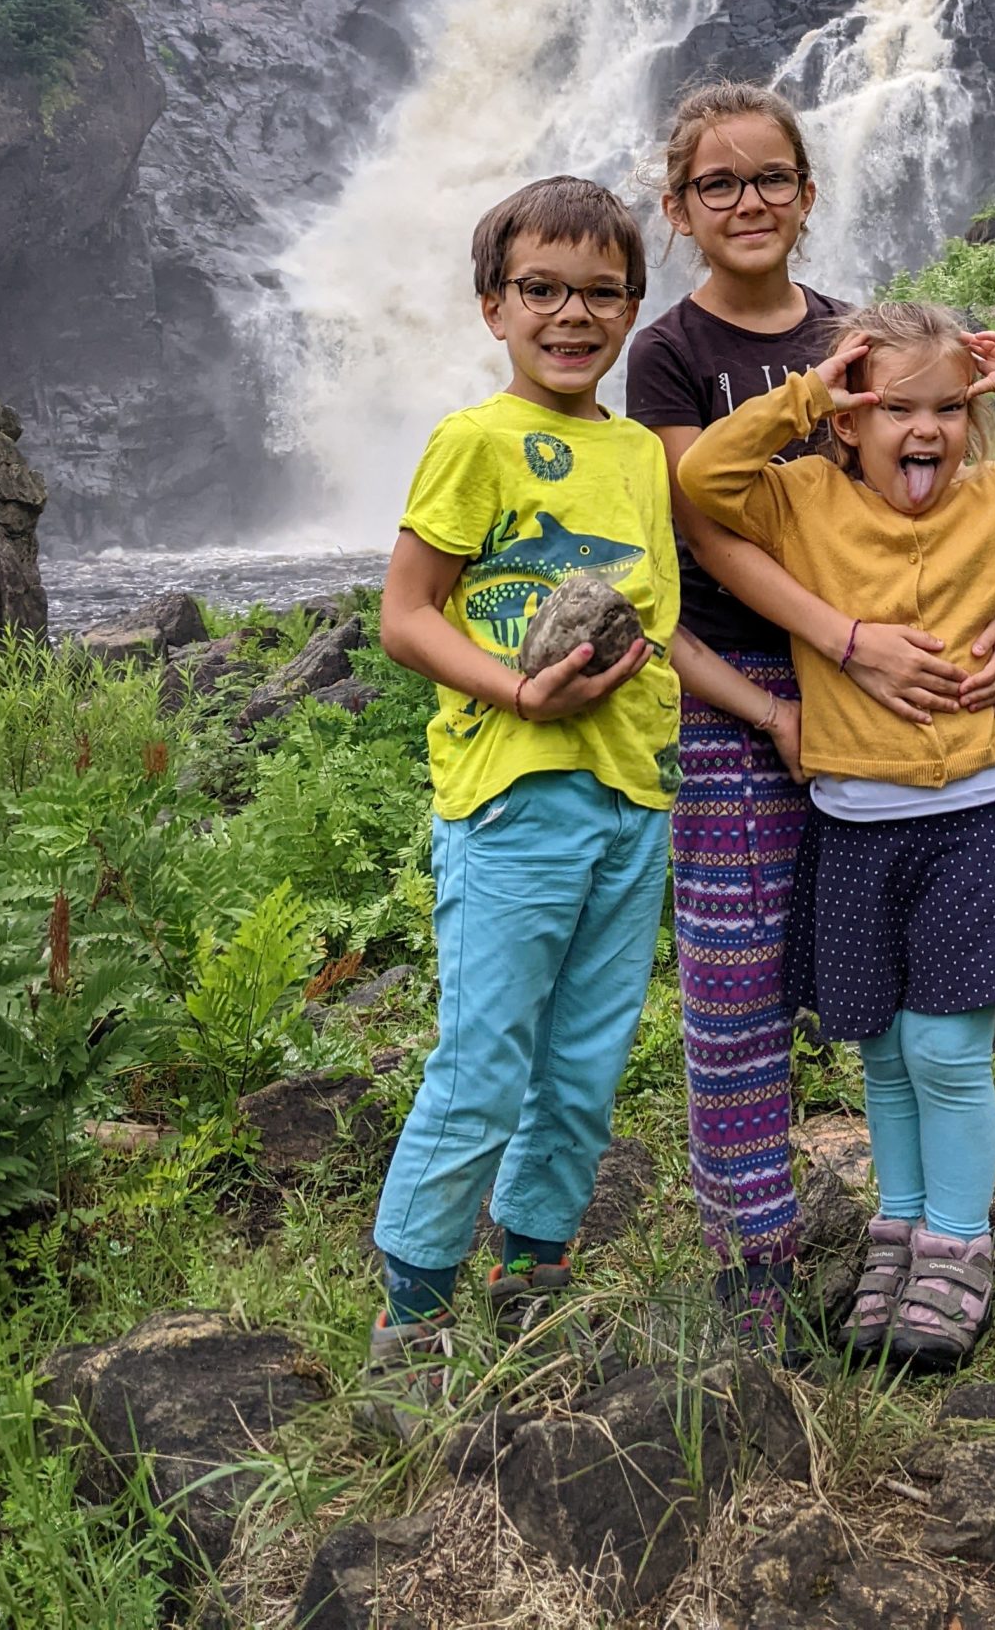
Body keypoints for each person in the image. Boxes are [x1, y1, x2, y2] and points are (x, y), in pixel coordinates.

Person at [628, 83, 995, 1348]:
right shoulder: (678, 353)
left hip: (931, 709)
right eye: (718, 182)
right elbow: (708, 517)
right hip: (752, 677)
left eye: (773, 176)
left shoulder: (869, 335)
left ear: (809, 190)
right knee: (740, 977)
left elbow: (975, 505)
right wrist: (841, 642)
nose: (750, 200)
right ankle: (756, 1250)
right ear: (678, 207)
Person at [365, 173, 795, 1426]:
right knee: (484, 1060)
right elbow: (405, 616)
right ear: (493, 305)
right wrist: (518, 690)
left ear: (632, 306)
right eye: (541, 290)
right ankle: (411, 1316)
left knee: (585, 1062)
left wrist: (774, 711)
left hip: (633, 795)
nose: (572, 314)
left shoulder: (638, 455)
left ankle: (532, 1271)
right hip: (515, 793)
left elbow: (663, 630)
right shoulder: (474, 440)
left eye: (601, 293)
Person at [679, 302, 995, 1367]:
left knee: (946, 1047)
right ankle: (898, 1232)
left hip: (973, 820)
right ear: (851, 422)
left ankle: (958, 1243)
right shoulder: (801, 498)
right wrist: (808, 394)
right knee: (887, 1055)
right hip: (853, 826)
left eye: (948, 407)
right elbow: (705, 479)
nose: (926, 428)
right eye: (897, 408)